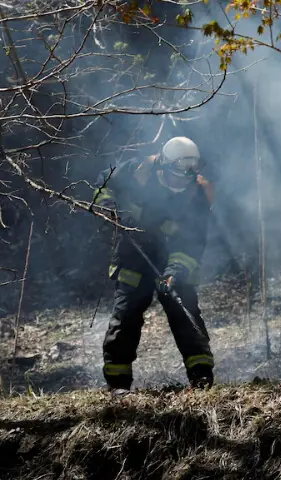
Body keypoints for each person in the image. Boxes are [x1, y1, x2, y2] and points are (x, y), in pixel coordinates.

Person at [92, 136, 215, 395]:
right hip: (133, 256)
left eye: (189, 176)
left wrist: (176, 272)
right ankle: (118, 386)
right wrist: (109, 209)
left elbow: (192, 242)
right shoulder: (138, 171)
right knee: (125, 319)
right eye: (178, 176)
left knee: (186, 315)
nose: (184, 182)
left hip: (171, 262)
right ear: (163, 165)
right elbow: (103, 184)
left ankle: (201, 380)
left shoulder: (198, 194)